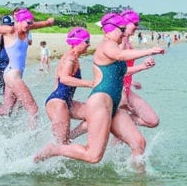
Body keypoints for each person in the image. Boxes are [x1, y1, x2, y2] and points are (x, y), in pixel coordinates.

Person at [34, 13, 164, 166]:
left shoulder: (114, 46)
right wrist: (149, 51)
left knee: (138, 143)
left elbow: (120, 72)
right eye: (121, 29)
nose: (124, 33)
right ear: (110, 29)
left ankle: (138, 184)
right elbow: (121, 55)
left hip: (112, 104)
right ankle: (55, 149)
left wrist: (142, 67)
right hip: (100, 102)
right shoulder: (107, 45)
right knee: (93, 156)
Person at [0, 8, 55, 129]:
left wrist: (50, 22)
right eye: (28, 23)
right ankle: (31, 140)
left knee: (5, 110)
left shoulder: (27, 27)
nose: (30, 26)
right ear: (19, 21)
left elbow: (43, 24)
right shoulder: (10, 30)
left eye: (31, 23)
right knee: (33, 110)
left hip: (11, 74)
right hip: (13, 76)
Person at [44, 27, 92, 144]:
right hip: (59, 102)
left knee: (95, 116)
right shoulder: (70, 58)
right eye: (86, 42)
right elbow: (64, 79)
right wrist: (91, 83)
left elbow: (57, 79)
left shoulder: (72, 57)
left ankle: (69, 137)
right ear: (77, 42)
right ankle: (35, 160)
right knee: (60, 144)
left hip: (65, 101)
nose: (89, 45)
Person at [119, 9, 160, 128]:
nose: (137, 27)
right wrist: (143, 66)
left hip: (126, 88)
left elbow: (122, 67)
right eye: (135, 24)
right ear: (126, 23)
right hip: (118, 90)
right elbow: (115, 71)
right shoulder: (120, 42)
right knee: (150, 121)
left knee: (152, 121)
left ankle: (116, 122)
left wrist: (130, 82)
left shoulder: (126, 40)